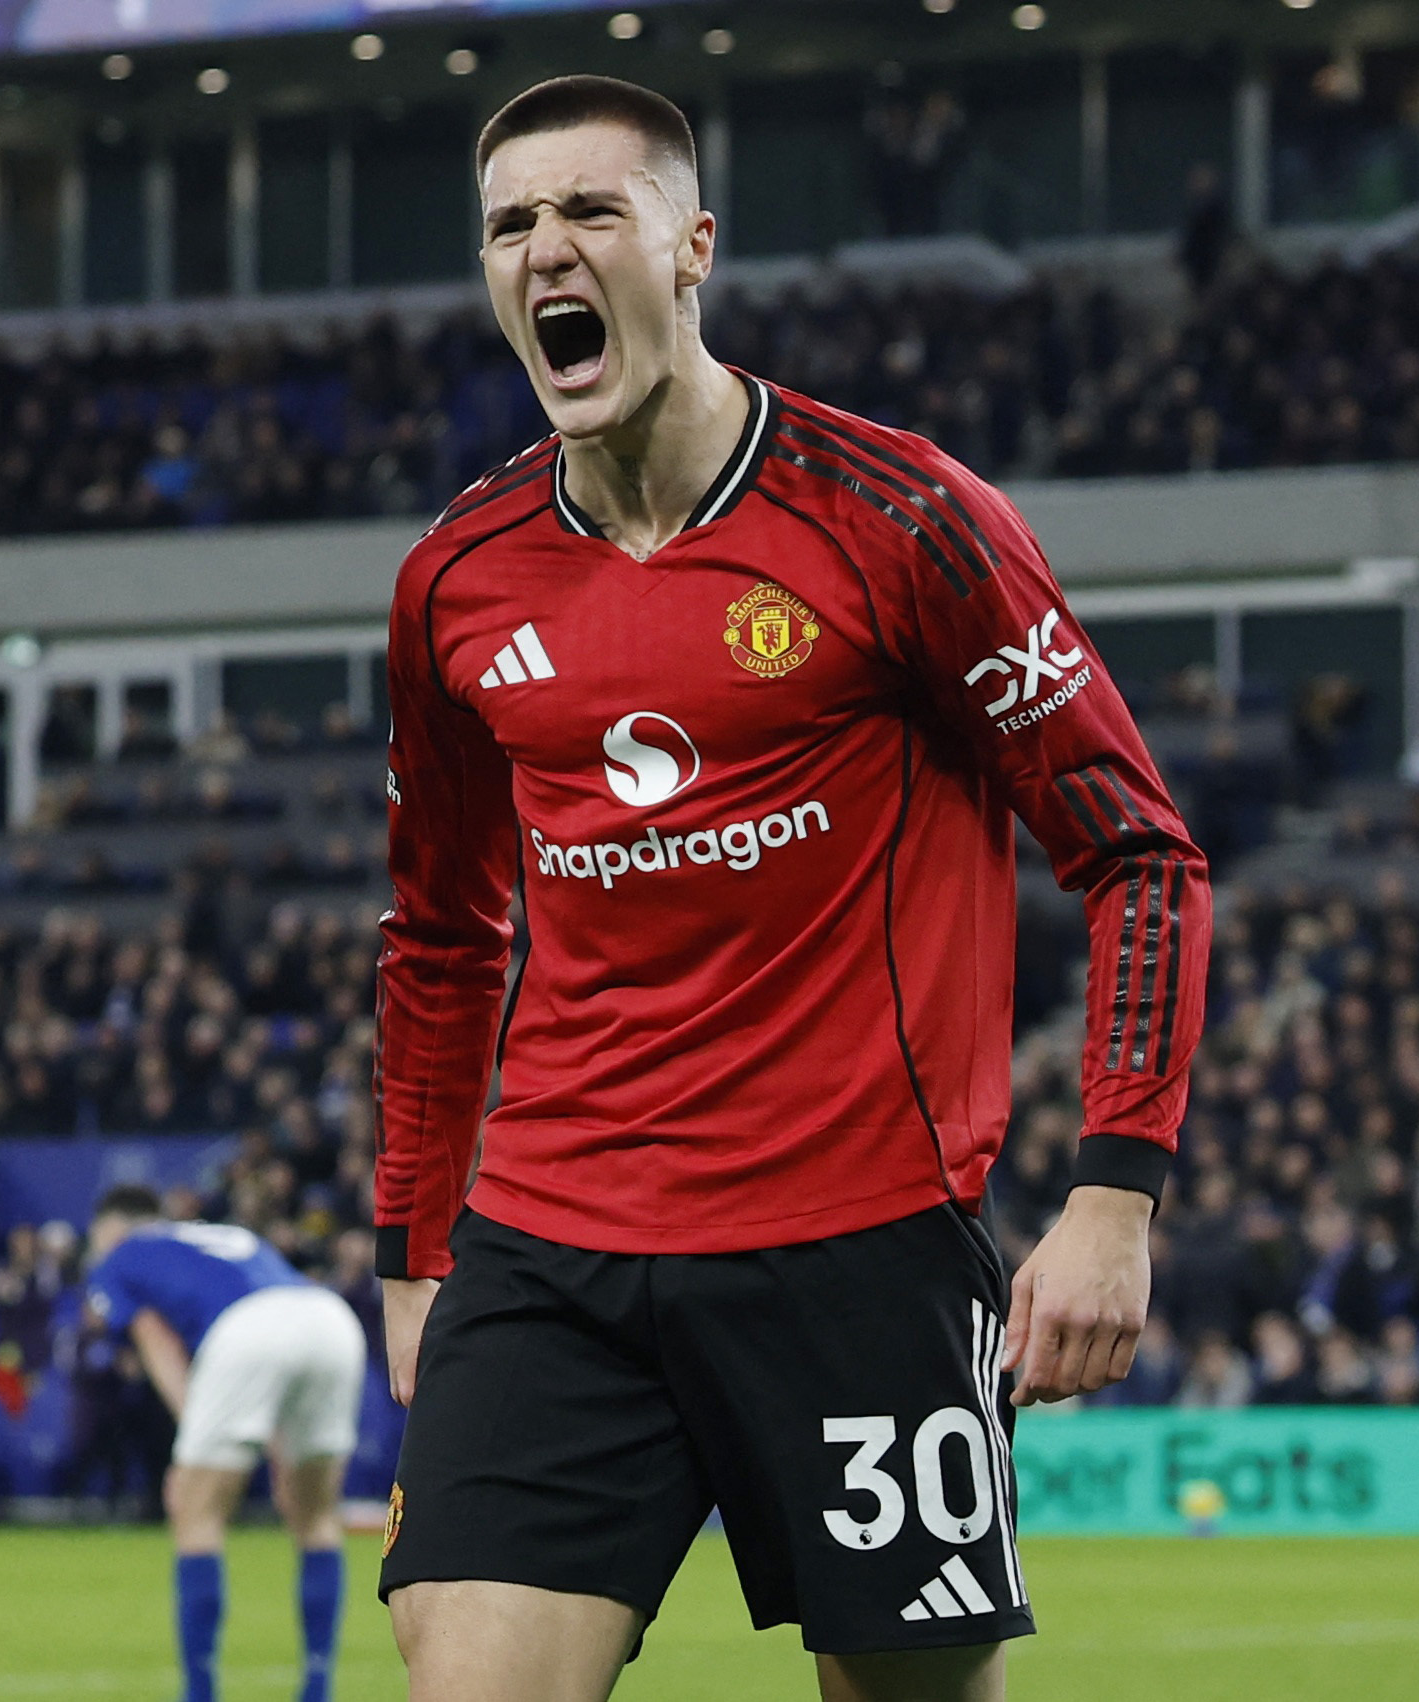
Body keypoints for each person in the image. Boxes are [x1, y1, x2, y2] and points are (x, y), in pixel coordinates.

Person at [371, 78, 1210, 1702]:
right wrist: (413, 1253)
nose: (545, 248)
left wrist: (1114, 1192)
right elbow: (438, 934)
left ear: (689, 249)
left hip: (860, 1248)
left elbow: (1136, 853)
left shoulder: (901, 519)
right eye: (508, 225)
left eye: (588, 212)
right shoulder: (454, 581)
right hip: (552, 1246)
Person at [86, 1185, 367, 1702]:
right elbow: (283, 1324)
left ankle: (199, 1693)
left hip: (246, 1334)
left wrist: (193, 1442)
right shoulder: (221, 1234)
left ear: (113, 1228)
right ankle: (317, 1686)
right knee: (316, 1515)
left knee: (194, 1510)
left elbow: (156, 1342)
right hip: (328, 1320)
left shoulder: (120, 1255)